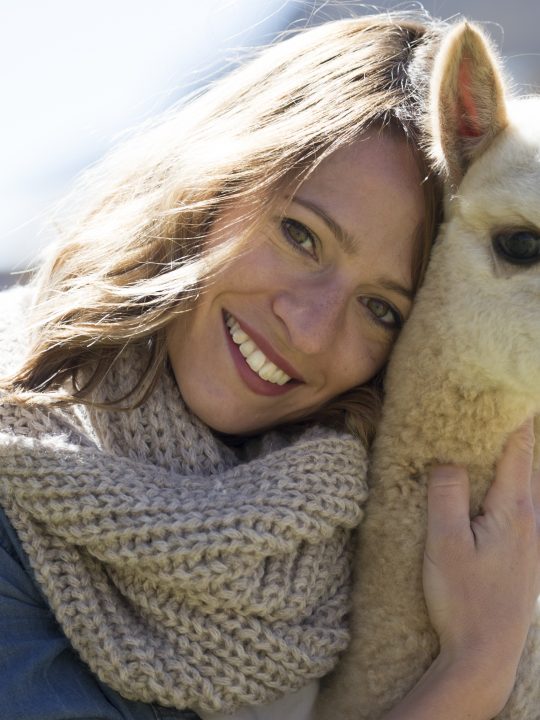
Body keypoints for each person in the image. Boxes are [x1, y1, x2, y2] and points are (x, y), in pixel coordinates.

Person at [0, 9, 538, 720]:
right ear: (216, 183)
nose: (310, 331)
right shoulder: (19, 494)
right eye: (300, 236)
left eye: (381, 310)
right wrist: (473, 671)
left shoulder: (342, 551)